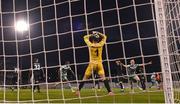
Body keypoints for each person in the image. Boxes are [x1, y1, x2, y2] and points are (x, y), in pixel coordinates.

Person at [76, 31, 114, 96]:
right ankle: (110, 92)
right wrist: (98, 33)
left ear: (92, 39)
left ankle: (78, 91)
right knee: (103, 78)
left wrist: (92, 34)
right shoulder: (101, 44)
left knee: (85, 78)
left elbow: (85, 37)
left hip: (92, 64)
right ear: (98, 39)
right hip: (99, 63)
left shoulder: (90, 44)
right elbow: (105, 36)